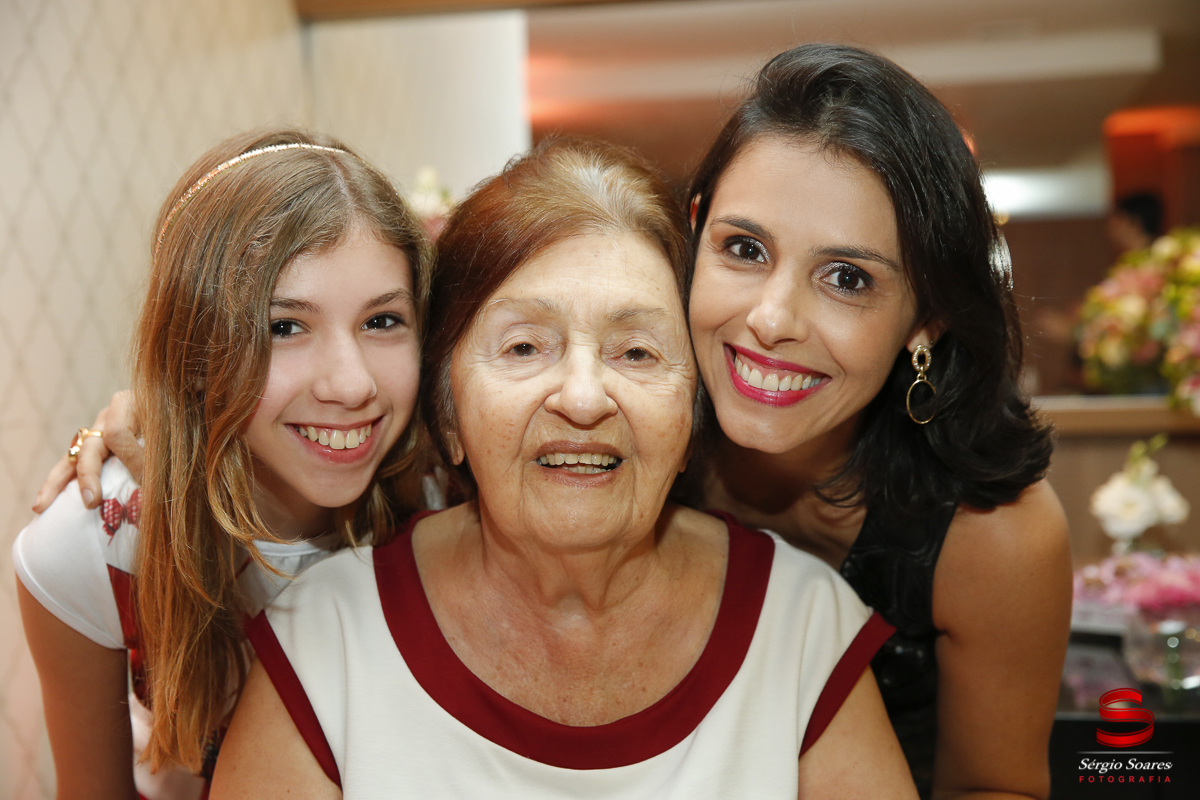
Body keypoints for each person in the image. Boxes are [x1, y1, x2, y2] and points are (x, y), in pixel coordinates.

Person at [209, 140, 917, 799]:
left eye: (636, 352)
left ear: (693, 416)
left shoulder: (801, 631)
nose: (583, 398)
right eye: (523, 347)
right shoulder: (323, 640)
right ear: (447, 414)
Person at [686, 44, 1072, 798]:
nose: (770, 319)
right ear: (694, 234)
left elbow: (996, 787)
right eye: (744, 248)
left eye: (846, 278)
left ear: (925, 318)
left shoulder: (992, 536)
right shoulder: (622, 440)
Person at [14, 128, 431, 800]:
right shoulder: (99, 547)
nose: (351, 385)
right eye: (283, 326)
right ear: (195, 342)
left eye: (382, 321)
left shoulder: (452, 500)